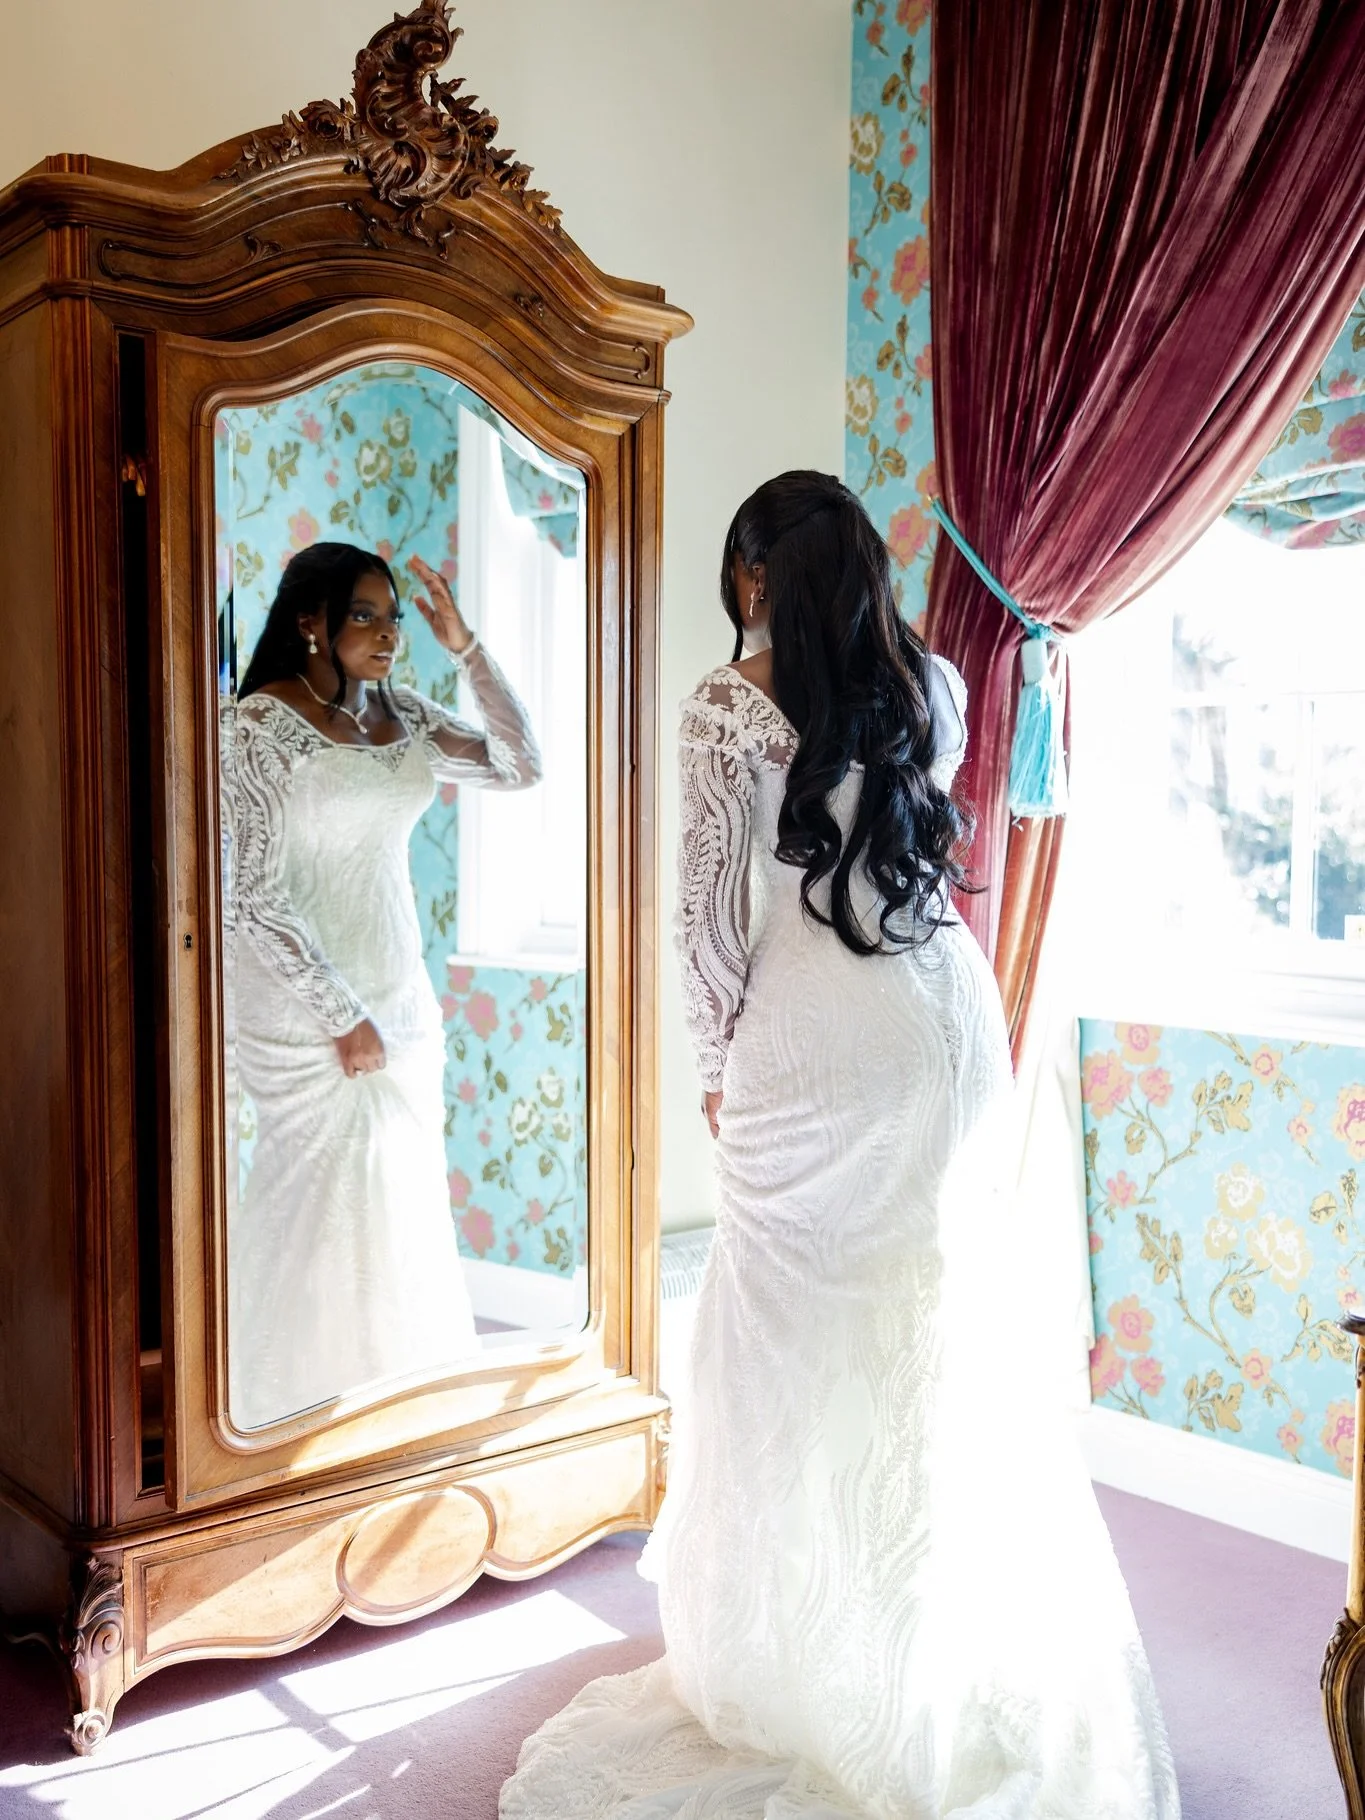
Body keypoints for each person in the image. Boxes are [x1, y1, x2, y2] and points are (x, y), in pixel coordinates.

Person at [500, 473, 1179, 1819]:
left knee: (791, 1346)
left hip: (815, 1055)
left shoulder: (724, 708)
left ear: (753, 577)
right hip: (948, 1025)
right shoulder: (931, 687)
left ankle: (818, 1670)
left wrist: (713, 1077)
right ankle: (946, 1659)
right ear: (861, 571)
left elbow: (705, 924)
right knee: (935, 1335)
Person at [226, 541, 540, 1431]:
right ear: (309, 623)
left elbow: (521, 766)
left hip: (398, 993)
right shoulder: (254, 726)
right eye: (366, 614)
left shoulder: (404, 713)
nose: (389, 632)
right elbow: (250, 894)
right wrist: (340, 1014)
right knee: (316, 1203)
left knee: (399, 1198)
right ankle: (281, 1418)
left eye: (395, 616)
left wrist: (466, 646)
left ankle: (395, 1421)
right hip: (302, 1008)